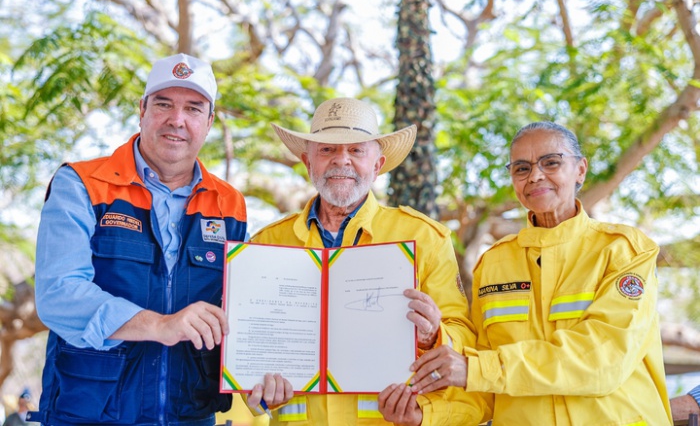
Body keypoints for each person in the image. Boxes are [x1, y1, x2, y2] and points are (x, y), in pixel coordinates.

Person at [31, 53, 247, 425]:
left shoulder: (230, 204)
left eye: (193, 109)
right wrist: (160, 325)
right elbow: (58, 294)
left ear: (209, 122)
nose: (176, 120)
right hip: (87, 414)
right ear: (142, 109)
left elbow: (240, 311)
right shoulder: (81, 185)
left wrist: (262, 375)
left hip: (189, 415)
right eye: (164, 104)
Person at [244, 97, 490, 425]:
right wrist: (257, 392)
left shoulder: (426, 237)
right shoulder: (266, 244)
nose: (341, 161)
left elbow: (464, 336)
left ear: (377, 165)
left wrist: (434, 335)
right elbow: (250, 357)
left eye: (357, 150)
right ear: (308, 162)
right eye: (327, 150)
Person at [408, 121, 673, 425]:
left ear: (581, 170)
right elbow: (482, 391)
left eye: (551, 162)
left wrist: (478, 369)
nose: (535, 176)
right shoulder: (492, 264)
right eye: (521, 169)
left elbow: (602, 360)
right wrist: (425, 416)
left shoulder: (625, 251)